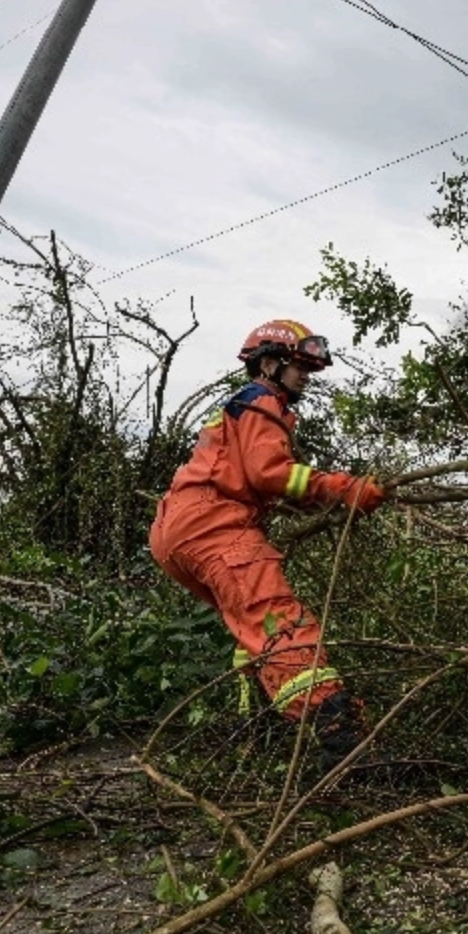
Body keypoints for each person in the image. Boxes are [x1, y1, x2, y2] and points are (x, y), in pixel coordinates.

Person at [149, 319, 386, 747]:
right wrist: (344, 488)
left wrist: (320, 496)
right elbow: (270, 473)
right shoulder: (262, 402)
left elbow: (260, 477)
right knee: (281, 622)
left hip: (178, 532)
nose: (305, 378)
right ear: (271, 364)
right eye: (298, 367)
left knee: (249, 624)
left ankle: (260, 727)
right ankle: (338, 739)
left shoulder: (241, 407)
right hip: (214, 527)